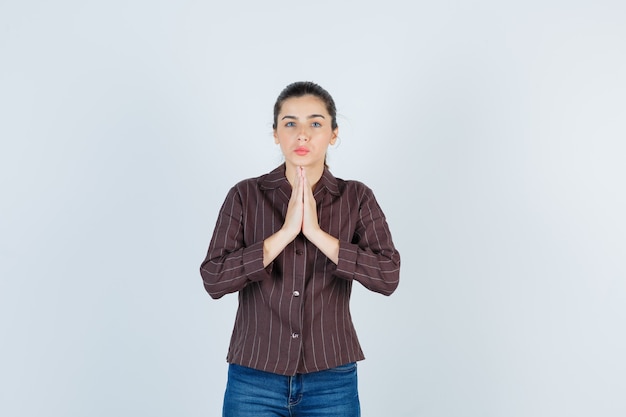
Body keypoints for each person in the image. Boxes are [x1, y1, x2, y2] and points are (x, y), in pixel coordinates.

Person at [200, 81, 401, 417]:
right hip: (253, 378)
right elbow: (214, 279)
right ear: (276, 134)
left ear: (333, 133)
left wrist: (318, 234)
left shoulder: (357, 197)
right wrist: (285, 233)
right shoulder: (245, 196)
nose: (302, 135)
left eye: (316, 123)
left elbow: (387, 276)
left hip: (332, 379)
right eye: (290, 123)